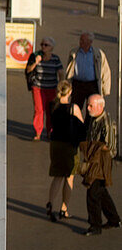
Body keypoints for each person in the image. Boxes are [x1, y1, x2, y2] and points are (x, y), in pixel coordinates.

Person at [80, 94, 120, 235]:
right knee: (100, 192)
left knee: (92, 192)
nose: (88, 108)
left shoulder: (106, 122)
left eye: (91, 105)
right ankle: (114, 219)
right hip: (94, 160)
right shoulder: (93, 119)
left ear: (100, 106)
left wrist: (92, 148)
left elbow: (108, 146)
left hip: (101, 162)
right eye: (88, 105)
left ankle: (95, 226)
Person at [47, 81, 83, 223]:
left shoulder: (53, 106)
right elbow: (81, 125)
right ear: (69, 92)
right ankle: (64, 208)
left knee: (57, 176)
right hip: (69, 145)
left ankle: (50, 203)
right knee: (69, 177)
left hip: (55, 144)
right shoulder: (73, 108)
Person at [26, 37, 63, 141]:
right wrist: (35, 63)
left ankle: (50, 131)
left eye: (46, 45)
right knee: (39, 109)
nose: (43, 47)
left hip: (52, 88)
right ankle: (38, 132)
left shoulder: (55, 58)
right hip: (38, 87)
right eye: (42, 44)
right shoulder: (35, 56)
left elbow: (61, 72)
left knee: (50, 110)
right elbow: (28, 70)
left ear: (52, 47)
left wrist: (61, 86)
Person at [65, 32, 112, 111]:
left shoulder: (98, 54)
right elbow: (69, 69)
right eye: (80, 40)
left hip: (92, 85)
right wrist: (67, 83)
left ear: (90, 42)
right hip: (77, 84)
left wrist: (105, 89)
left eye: (83, 40)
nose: (81, 42)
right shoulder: (74, 52)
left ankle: (89, 123)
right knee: (74, 108)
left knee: (92, 108)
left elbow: (105, 71)